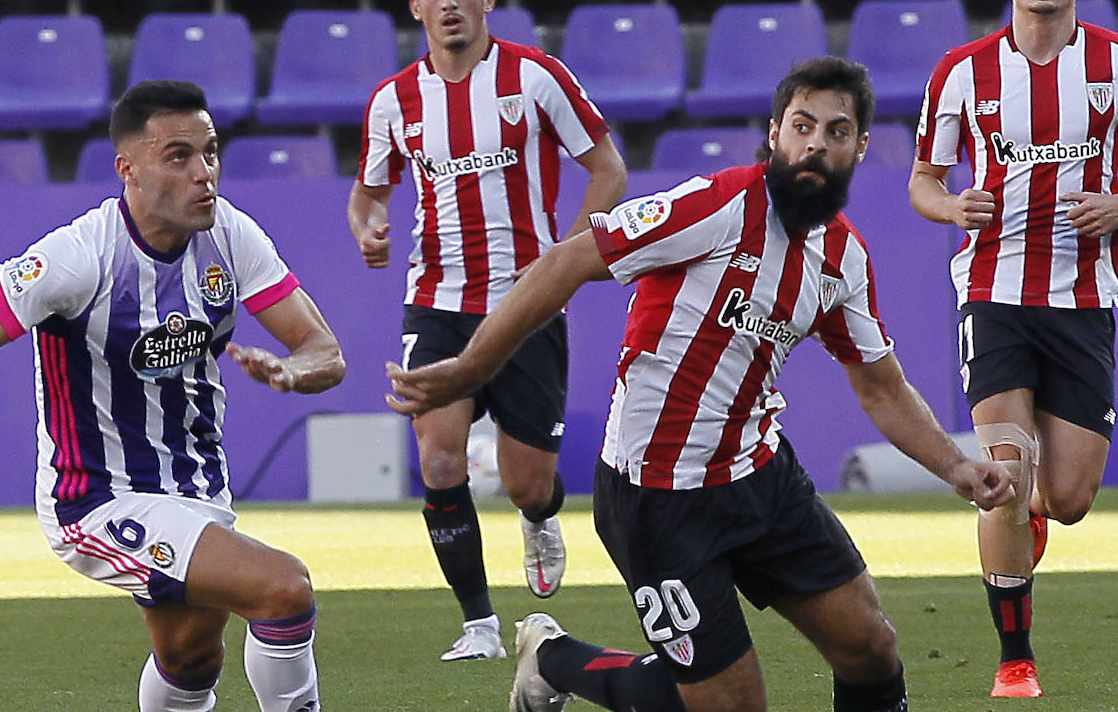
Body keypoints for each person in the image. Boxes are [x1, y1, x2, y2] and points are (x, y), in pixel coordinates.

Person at [388, 56, 1016, 712]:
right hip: (657, 497)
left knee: (871, 648)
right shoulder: (717, 204)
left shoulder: (843, 258)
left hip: (759, 476)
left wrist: (959, 468)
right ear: (775, 133)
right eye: (802, 125)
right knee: (730, 705)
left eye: (836, 131)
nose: (815, 144)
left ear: (860, 148)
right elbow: (568, 260)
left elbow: (882, 388)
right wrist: (470, 368)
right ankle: (552, 659)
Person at [0, 80, 347, 712]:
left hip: (196, 490)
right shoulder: (80, 258)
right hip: (97, 498)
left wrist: (295, 371)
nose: (204, 173)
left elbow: (326, 352)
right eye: (179, 156)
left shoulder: (229, 236)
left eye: (211, 152)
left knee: (192, 660)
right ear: (127, 170)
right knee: (284, 589)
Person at [909, 0, 1118, 699]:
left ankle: (1033, 506)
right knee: (1003, 468)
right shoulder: (962, 72)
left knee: (1067, 499)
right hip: (991, 292)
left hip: (1082, 298)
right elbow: (923, 182)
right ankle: (1015, 658)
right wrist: (952, 207)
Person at [348, 0, 628, 661]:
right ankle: (478, 625)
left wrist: (567, 257)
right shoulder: (394, 102)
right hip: (436, 301)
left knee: (525, 483)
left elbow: (608, 171)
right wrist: (370, 227)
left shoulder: (536, 78)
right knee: (440, 462)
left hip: (527, 303)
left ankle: (539, 517)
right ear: (416, 7)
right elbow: (368, 195)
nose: (449, 3)